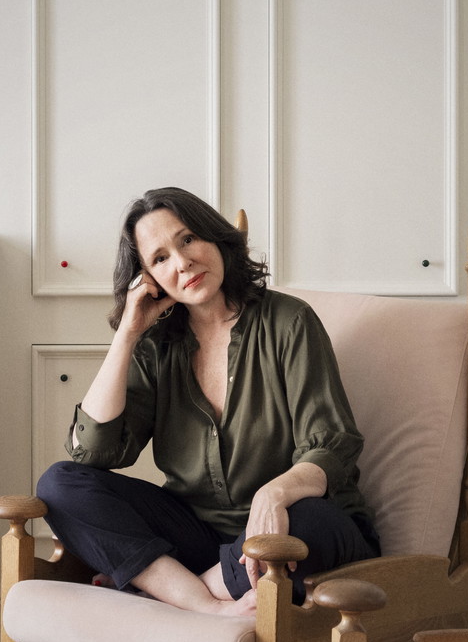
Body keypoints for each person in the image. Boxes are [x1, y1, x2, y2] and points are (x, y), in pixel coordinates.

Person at [37, 187, 379, 616]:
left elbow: (331, 443)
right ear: (148, 278)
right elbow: (95, 451)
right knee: (58, 484)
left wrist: (272, 495)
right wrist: (128, 333)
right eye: (160, 258)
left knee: (308, 520)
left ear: (216, 239)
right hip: (199, 534)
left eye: (187, 239)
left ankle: (162, 590)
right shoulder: (157, 344)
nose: (182, 263)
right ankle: (204, 601)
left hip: (297, 527)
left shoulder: (290, 322)